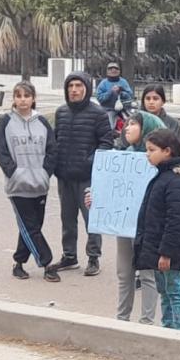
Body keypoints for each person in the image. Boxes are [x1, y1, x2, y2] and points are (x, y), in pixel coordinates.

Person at [103, 111, 165, 325]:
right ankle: (122, 320)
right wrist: (97, 198)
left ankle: (146, 322)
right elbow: (111, 190)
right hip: (124, 223)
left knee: (147, 274)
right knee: (124, 272)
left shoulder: (158, 163)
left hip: (146, 227)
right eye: (126, 124)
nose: (127, 128)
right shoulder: (124, 155)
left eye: (133, 124)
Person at [134, 129, 180, 330]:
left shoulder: (177, 180)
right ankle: (168, 328)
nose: (147, 154)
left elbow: (176, 221)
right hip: (158, 247)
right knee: (165, 291)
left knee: (175, 291)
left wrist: (166, 252)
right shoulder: (164, 176)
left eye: (152, 150)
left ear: (167, 151)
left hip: (169, 250)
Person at [0, 82, 59, 282]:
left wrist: (44, 173)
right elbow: (1, 152)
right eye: (18, 95)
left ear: (33, 98)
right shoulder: (5, 122)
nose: (22, 99)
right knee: (30, 226)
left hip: (39, 184)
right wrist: (14, 173)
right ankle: (48, 263)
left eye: (26, 95)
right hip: (18, 186)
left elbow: (52, 149)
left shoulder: (42, 121)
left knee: (32, 226)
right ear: (13, 99)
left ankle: (19, 262)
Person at [53, 72, 114, 276]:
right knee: (67, 219)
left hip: (88, 177)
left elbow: (107, 143)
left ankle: (93, 257)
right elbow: (54, 142)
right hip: (65, 176)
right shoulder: (60, 112)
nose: (74, 90)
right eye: (70, 86)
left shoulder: (98, 114)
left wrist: (90, 162)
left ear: (86, 88)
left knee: (91, 220)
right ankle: (69, 256)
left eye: (79, 85)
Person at [95, 61, 134, 127]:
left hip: (124, 109)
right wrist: (110, 92)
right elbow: (99, 97)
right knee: (109, 126)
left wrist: (121, 93)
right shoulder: (103, 83)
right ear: (107, 71)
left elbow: (130, 95)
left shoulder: (123, 82)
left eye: (116, 68)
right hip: (109, 110)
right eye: (111, 69)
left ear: (119, 71)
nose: (113, 70)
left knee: (132, 123)